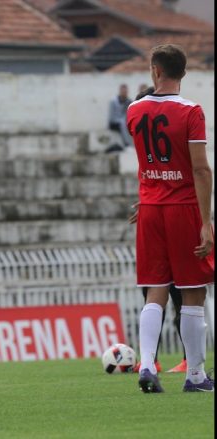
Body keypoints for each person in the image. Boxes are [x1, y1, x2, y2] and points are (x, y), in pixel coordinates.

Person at [127, 44, 214, 393]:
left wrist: (147, 197)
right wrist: (206, 221)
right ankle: (195, 376)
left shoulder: (134, 110)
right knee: (193, 292)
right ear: (183, 72)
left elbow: (149, 163)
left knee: (155, 289)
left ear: (155, 70)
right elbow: (199, 169)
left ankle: (147, 364)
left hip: (150, 208)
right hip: (183, 208)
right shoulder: (191, 111)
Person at [107, 84, 133, 150]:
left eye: (126, 91)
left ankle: (134, 145)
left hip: (124, 122)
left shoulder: (129, 102)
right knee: (122, 122)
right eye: (123, 91)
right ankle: (127, 144)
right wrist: (121, 119)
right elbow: (111, 117)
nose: (124, 93)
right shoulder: (113, 101)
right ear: (120, 91)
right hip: (114, 123)